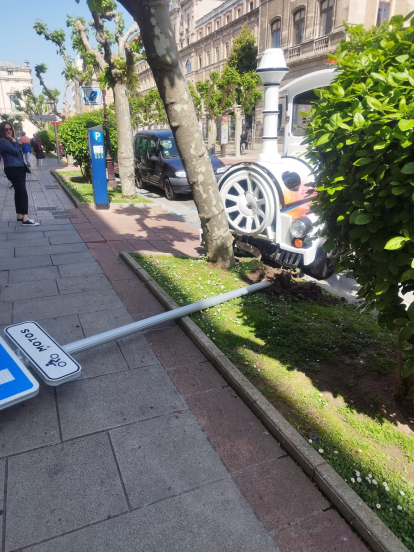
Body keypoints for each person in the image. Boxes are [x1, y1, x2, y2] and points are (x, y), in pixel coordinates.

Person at [0, 121, 39, 225]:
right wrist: (14, 141)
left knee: (18, 191)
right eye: (6, 129)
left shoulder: (10, 141)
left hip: (19, 168)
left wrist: (14, 142)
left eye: (10, 129)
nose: (9, 131)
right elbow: (16, 151)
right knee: (22, 192)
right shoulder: (3, 141)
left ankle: (20, 215)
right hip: (13, 169)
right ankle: (25, 218)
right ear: (2, 131)